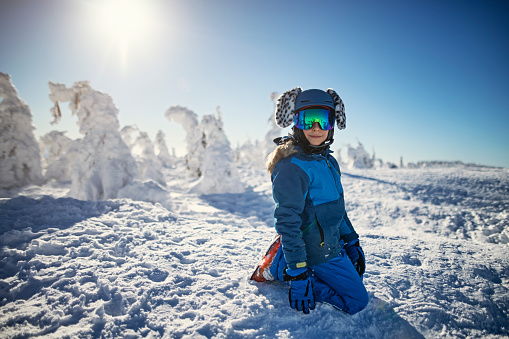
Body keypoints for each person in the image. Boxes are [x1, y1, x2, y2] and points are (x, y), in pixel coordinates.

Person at [251, 87, 369, 315]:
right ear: (296, 122)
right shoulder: (291, 168)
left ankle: (284, 257)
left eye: (323, 120)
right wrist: (299, 275)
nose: (316, 127)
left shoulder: (329, 163)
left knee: (358, 274)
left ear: (332, 124)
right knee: (357, 301)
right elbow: (288, 222)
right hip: (314, 252)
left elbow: (337, 210)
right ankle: (284, 267)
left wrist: (352, 242)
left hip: (332, 245)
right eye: (308, 119)